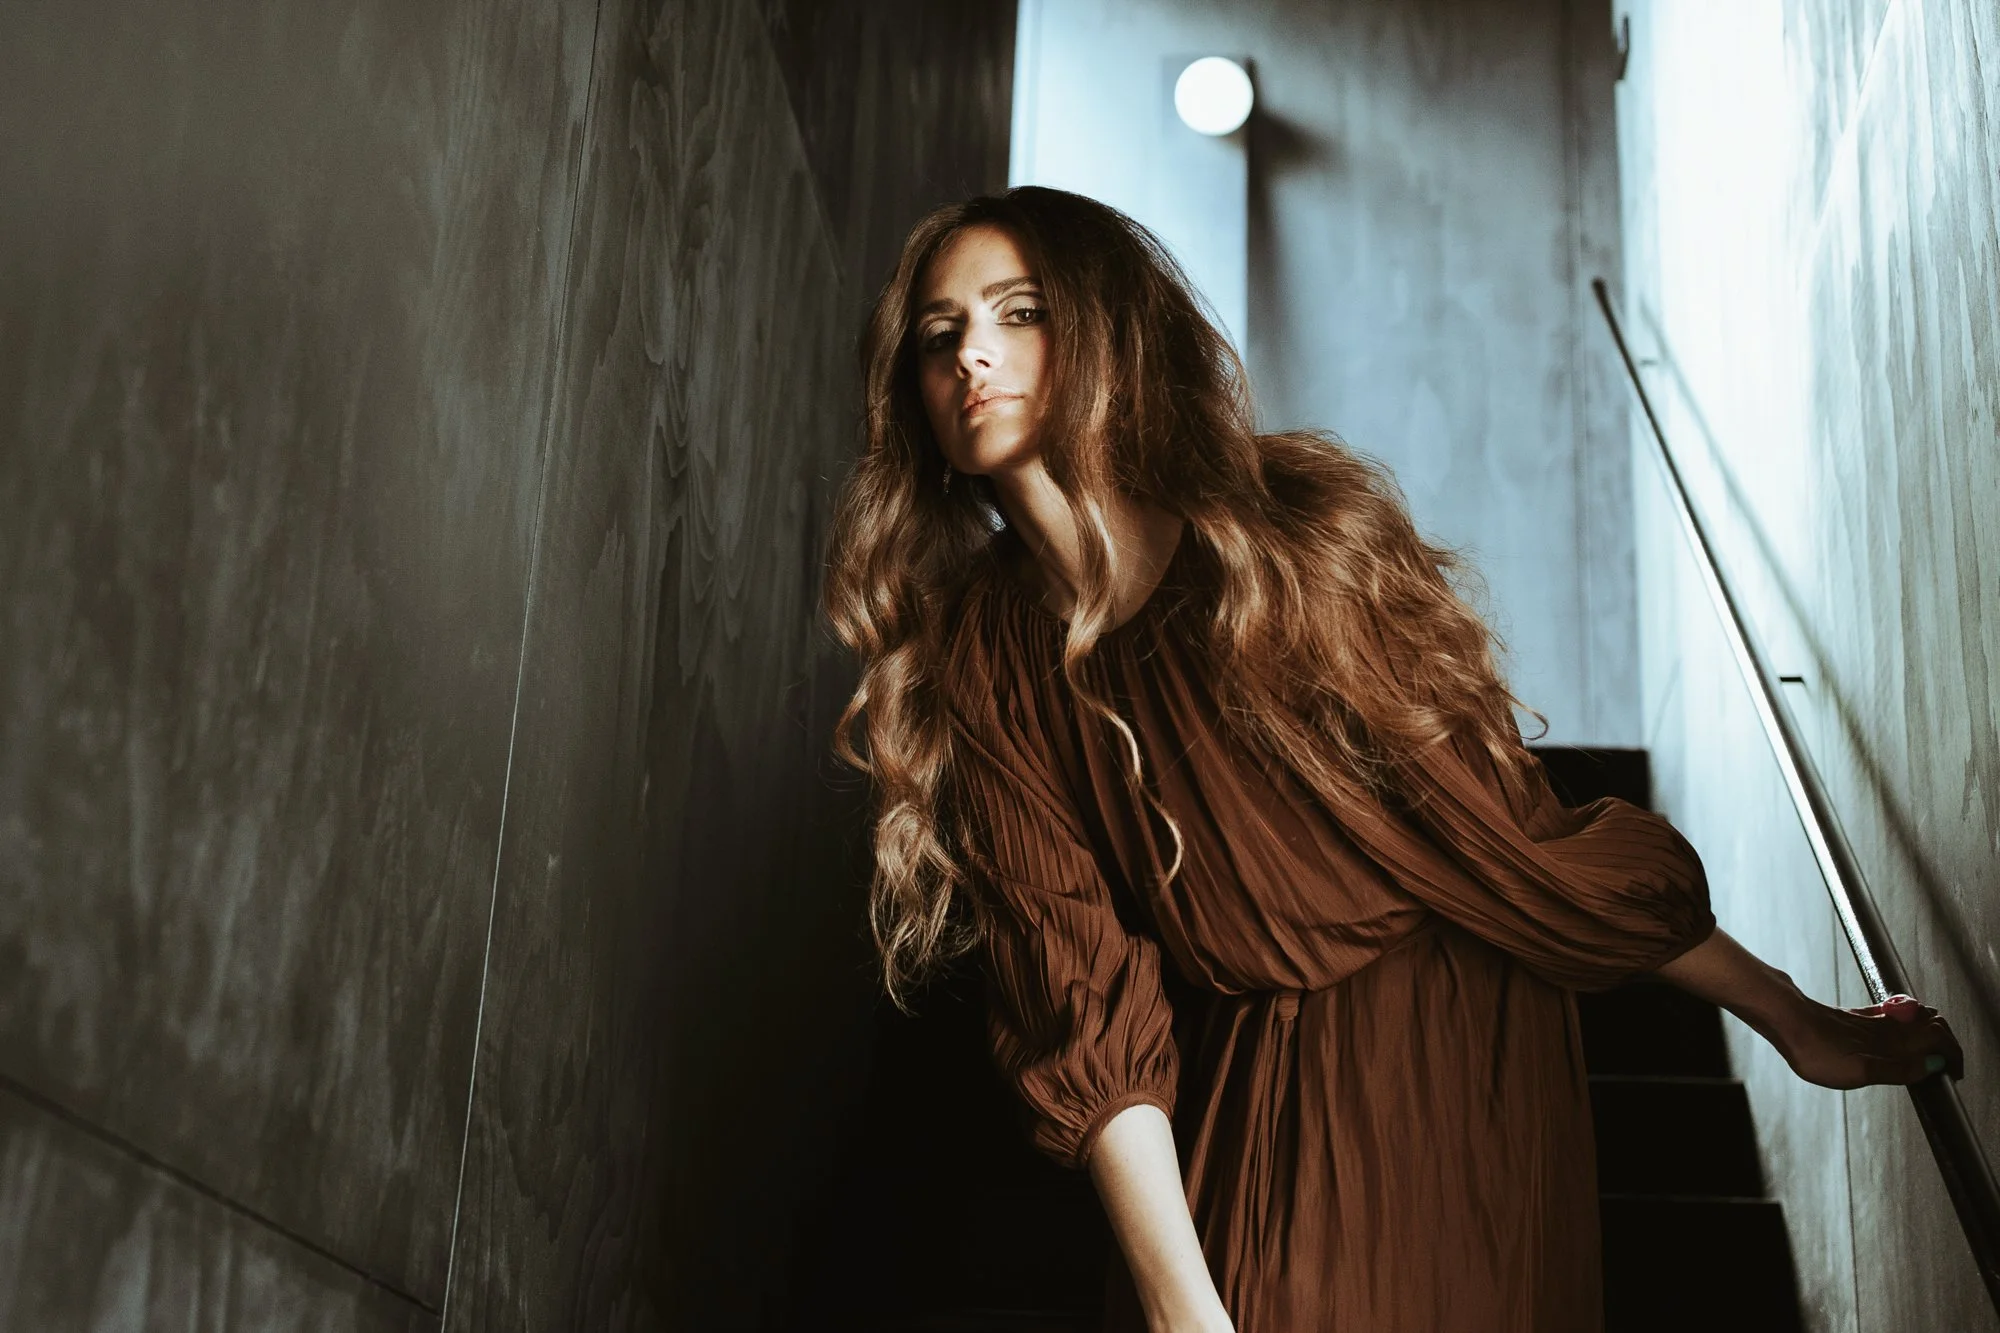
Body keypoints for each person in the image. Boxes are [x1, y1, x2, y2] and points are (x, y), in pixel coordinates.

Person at [820, 186, 1962, 1333]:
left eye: (1018, 312)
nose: (972, 351)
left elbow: (1514, 843)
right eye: (938, 332)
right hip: (1238, 1065)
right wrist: (1183, 1313)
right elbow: (1079, 994)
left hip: (1445, 1030)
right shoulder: (980, 658)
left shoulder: (1280, 544)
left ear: (1103, 325)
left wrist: (1792, 1019)